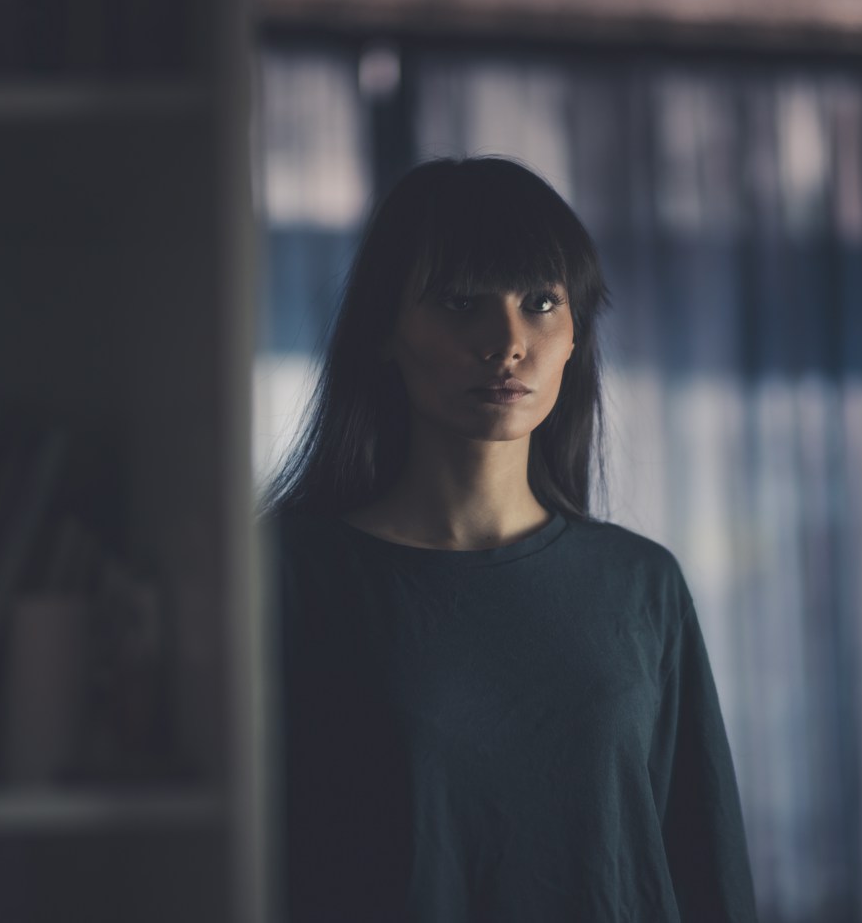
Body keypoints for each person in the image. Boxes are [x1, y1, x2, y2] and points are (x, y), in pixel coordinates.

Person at [265, 157, 759, 922]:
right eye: (461, 302)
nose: (507, 341)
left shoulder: (640, 588)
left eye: (539, 303)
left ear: (574, 337)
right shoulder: (293, 575)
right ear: (385, 332)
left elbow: (705, 869)